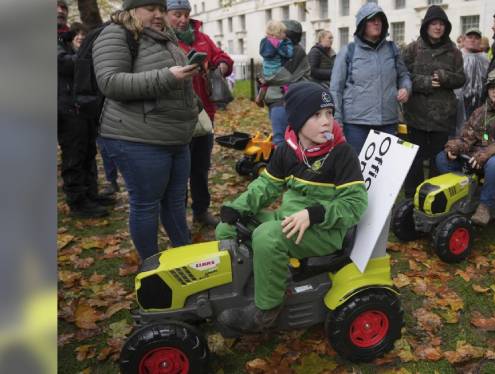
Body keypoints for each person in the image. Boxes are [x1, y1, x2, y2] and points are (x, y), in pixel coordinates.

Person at [215, 82, 368, 331]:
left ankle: (266, 309)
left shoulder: (342, 154)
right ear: (297, 120)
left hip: (325, 230)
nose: (326, 122)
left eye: (329, 113)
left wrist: (314, 213)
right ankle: (246, 285)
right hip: (290, 220)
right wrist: (238, 208)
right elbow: (265, 186)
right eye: (316, 115)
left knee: (266, 236)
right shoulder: (288, 150)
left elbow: (355, 204)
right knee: (228, 228)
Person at [93, 0, 200, 260]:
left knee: (175, 203)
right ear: (132, 9)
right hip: (136, 138)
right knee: (146, 205)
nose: (158, 15)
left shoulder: (166, 36)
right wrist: (167, 76)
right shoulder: (116, 33)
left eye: (161, 9)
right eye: (150, 9)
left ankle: (184, 259)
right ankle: (151, 268)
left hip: (175, 136)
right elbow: (110, 82)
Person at [165, 0, 234, 228]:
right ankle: (178, 216)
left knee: (200, 167)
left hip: (204, 114)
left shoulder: (201, 38)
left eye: (186, 14)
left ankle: (201, 210)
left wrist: (220, 67)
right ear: (165, 15)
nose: (183, 19)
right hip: (175, 116)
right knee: (178, 171)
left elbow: (223, 58)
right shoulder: (162, 39)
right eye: (177, 14)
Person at [435, 68, 495, 225]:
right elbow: (466, 137)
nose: (494, 91)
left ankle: (485, 207)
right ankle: (465, 195)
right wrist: (454, 147)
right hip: (477, 158)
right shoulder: (480, 112)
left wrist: (488, 153)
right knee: (442, 157)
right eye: (491, 88)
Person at [330, 2, 412, 153]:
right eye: (372, 19)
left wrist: (406, 88)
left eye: (380, 19)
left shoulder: (392, 49)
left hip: (387, 122)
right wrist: (337, 123)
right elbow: (336, 90)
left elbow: (404, 75)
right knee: (356, 169)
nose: (377, 22)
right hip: (355, 126)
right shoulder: (348, 51)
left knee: (384, 171)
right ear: (362, 24)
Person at [401, 5, 465, 198]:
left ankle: (435, 197)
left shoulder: (454, 52)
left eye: (442, 24)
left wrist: (445, 78)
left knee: (439, 159)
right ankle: (413, 197)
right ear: (426, 26)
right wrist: (426, 82)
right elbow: (403, 77)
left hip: (442, 117)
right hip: (416, 115)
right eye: (434, 23)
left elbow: (461, 79)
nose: (438, 27)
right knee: (414, 159)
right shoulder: (412, 49)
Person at [58, 7, 113, 218]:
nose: (60, 11)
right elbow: (64, 63)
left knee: (89, 152)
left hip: (82, 106)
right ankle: (78, 203)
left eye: (63, 7)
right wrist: (92, 54)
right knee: (74, 155)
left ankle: (91, 194)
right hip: (66, 108)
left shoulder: (65, 38)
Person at [258, 20, 310, 146]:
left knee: (282, 139)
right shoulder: (280, 47)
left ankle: (284, 165)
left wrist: (263, 79)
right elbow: (269, 69)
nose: (283, 36)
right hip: (276, 99)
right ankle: (288, 163)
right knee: (284, 137)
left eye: (284, 32)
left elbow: (282, 76)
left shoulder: (296, 51)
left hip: (285, 99)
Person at [256, 20, 294, 106]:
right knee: (288, 80)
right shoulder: (278, 43)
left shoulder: (263, 41)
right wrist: (286, 44)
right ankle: (287, 96)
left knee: (265, 84)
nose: (285, 34)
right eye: (284, 32)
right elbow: (289, 54)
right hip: (277, 71)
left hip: (266, 71)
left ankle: (259, 97)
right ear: (277, 33)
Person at [459, 28, 490, 118]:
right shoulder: (457, 56)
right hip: (460, 100)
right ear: (464, 40)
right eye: (470, 37)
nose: (473, 40)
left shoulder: (485, 59)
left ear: (480, 41)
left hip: (479, 101)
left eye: (476, 38)